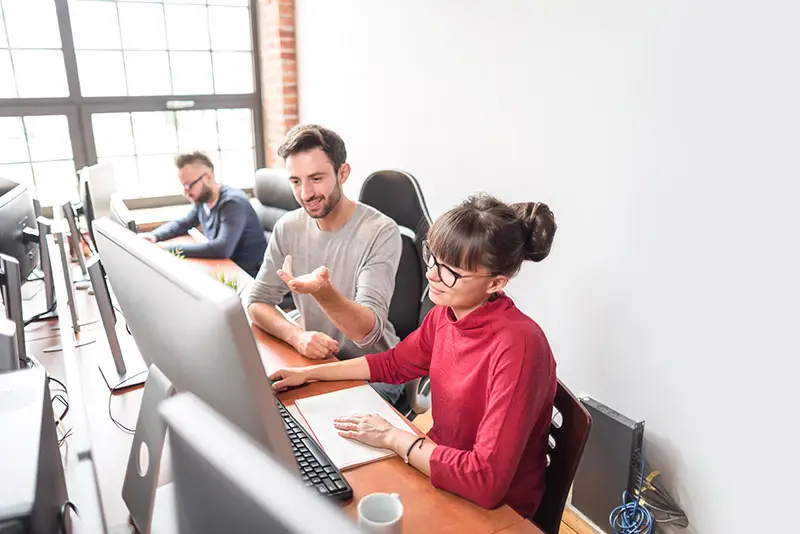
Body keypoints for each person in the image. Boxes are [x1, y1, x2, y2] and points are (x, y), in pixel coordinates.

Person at [268, 194, 559, 518]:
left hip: (497, 509)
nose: (432, 275)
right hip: (439, 464)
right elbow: (393, 364)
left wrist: (392, 437)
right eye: (433, 259)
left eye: (451, 271)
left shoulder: (519, 346)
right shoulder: (446, 315)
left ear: (496, 282)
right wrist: (309, 374)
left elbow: (486, 480)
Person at [245, 124, 404, 404]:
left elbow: (366, 334)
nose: (305, 194)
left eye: (316, 178)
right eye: (295, 181)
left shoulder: (380, 231)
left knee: (310, 430)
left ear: (343, 173)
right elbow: (257, 302)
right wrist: (297, 336)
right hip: (314, 363)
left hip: (372, 372)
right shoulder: (288, 226)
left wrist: (322, 291)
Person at [140, 151, 267, 277]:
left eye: (189, 185)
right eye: (183, 186)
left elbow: (222, 249)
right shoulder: (203, 201)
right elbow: (182, 224)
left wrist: (168, 250)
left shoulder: (233, 203)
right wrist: (154, 236)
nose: (186, 192)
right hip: (226, 269)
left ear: (208, 177)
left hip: (248, 276)